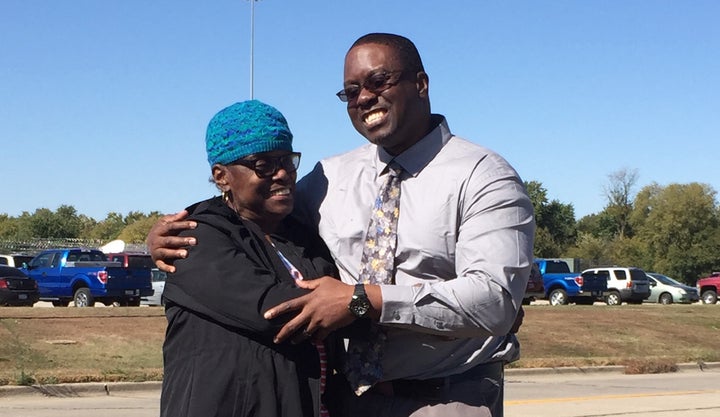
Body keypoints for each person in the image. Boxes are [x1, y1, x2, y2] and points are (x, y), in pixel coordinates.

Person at [149, 33, 535, 417]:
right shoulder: (329, 178)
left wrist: (363, 300)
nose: (364, 97)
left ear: (420, 84)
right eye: (351, 91)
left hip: (447, 396)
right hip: (348, 399)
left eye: (379, 81)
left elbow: (494, 301)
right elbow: (251, 211)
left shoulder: (483, 176)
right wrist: (170, 230)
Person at [158, 99, 343, 417]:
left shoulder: (303, 238)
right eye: (264, 165)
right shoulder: (194, 238)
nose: (283, 173)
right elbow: (273, 309)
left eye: (287, 159)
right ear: (222, 176)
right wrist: (360, 301)